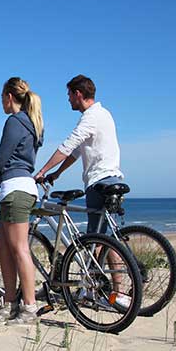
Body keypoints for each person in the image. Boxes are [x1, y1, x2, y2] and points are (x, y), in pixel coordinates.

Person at [0, 77, 43, 325]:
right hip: (15, 189)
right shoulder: (32, 122)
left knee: (19, 248)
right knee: (2, 245)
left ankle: (30, 308)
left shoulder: (15, 121)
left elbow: (1, 158)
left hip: (16, 190)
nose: (1, 102)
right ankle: (9, 303)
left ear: (9, 97)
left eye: (1, 97)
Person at [35, 74, 123, 234]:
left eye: (69, 95)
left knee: (95, 239)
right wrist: (57, 173)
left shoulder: (91, 117)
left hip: (99, 181)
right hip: (111, 178)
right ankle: (125, 260)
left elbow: (68, 146)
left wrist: (42, 171)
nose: (68, 99)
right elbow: (76, 152)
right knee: (107, 238)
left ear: (78, 94)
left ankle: (100, 257)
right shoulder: (104, 113)